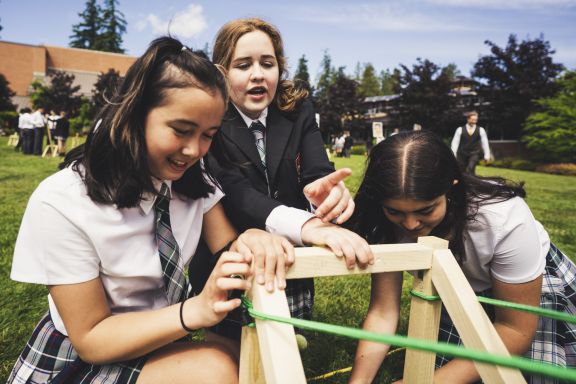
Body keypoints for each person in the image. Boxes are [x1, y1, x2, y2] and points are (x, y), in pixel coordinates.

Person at [8, 36, 295, 384]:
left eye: (208, 135)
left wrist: (251, 238)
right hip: (81, 358)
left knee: (241, 362)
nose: (194, 150)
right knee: (216, 371)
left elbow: (226, 244)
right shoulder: (62, 201)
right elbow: (91, 339)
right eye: (181, 130)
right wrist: (195, 311)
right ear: (135, 114)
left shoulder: (190, 179)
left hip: (161, 337)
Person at [192, 17, 372, 340]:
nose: (258, 74)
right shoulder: (212, 120)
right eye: (243, 65)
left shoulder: (298, 109)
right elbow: (236, 192)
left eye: (267, 63)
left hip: (290, 262)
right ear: (222, 72)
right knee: (235, 351)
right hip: (232, 254)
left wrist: (326, 195)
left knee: (290, 346)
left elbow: (318, 169)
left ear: (280, 68)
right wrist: (307, 225)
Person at [349, 131, 575, 384]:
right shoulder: (382, 224)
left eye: (426, 210)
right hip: (456, 291)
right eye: (395, 211)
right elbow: (383, 312)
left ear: (451, 188)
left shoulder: (502, 218)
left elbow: (515, 329)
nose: (410, 224)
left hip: (531, 293)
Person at [451, 111, 491, 175]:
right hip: (462, 154)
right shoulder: (460, 129)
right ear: (468, 119)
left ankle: (472, 184)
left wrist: (487, 156)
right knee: (461, 171)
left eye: (475, 120)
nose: (474, 121)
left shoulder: (481, 130)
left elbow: (485, 143)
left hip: (474, 154)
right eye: (472, 120)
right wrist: (454, 153)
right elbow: (455, 143)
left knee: (471, 168)